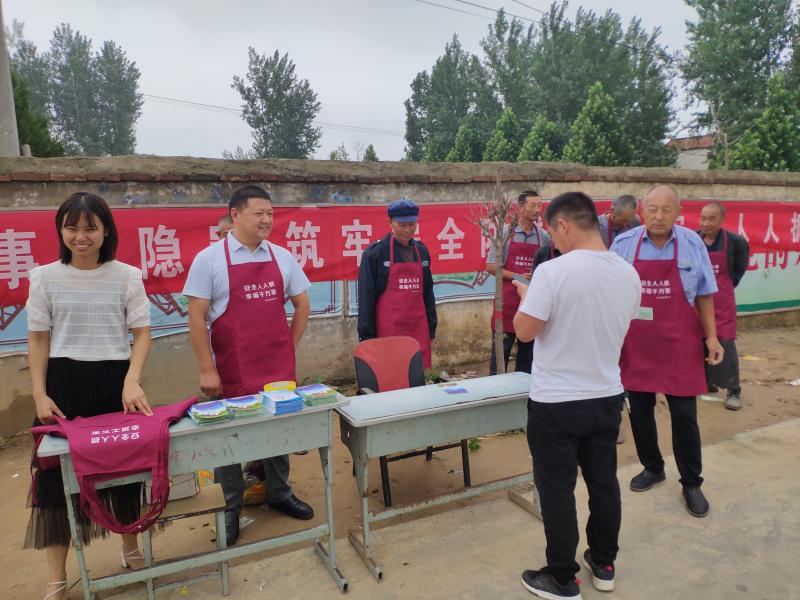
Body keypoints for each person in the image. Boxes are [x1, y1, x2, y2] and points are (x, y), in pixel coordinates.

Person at [25, 192, 153, 600]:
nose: (80, 236)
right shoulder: (44, 277)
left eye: (90, 228)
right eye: (71, 228)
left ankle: (130, 548)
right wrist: (39, 394)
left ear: (106, 231)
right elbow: (38, 339)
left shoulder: (127, 276)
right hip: (63, 387)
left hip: (116, 383)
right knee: (54, 482)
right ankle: (57, 578)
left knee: (125, 470)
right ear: (60, 231)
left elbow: (142, 334)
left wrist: (132, 380)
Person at [513, 192, 641, 600]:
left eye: (553, 233)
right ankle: (603, 563)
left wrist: (525, 299)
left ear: (564, 225)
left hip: (556, 402)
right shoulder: (628, 274)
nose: (554, 241)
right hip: (606, 396)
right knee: (603, 483)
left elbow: (524, 332)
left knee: (557, 490)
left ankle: (562, 578)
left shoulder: (552, 272)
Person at [184, 185, 314, 547]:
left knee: (278, 430)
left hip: (277, 367)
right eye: (259, 213)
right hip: (233, 368)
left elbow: (303, 305)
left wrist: (288, 347)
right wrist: (207, 368)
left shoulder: (282, 257)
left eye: (270, 213)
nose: (267, 220)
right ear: (235, 215)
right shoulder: (209, 259)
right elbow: (196, 317)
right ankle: (230, 506)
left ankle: (279, 492)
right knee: (230, 436)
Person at [610, 185, 724, 519]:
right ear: (642, 210)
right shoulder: (623, 245)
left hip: (680, 343)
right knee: (639, 412)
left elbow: (704, 293)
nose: (658, 216)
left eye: (666, 210)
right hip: (637, 343)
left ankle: (691, 482)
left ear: (678, 212)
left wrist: (712, 338)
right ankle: (653, 466)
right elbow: (609, 294)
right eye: (653, 209)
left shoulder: (692, 244)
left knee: (685, 416)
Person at [357, 199, 437, 368]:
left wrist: (431, 326)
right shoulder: (375, 254)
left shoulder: (421, 251)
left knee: (416, 373)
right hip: (389, 329)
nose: (407, 230)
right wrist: (367, 336)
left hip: (418, 328)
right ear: (390, 222)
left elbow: (428, 293)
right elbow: (366, 298)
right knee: (391, 372)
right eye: (402, 225)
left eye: (412, 224)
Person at [486, 190, 549, 375]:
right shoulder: (505, 233)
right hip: (506, 303)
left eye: (539, 205)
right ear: (520, 207)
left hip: (531, 304)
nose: (537, 210)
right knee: (500, 357)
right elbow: (491, 267)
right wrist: (518, 276)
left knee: (527, 358)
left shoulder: (543, 236)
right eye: (533, 205)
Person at [698, 201, 750, 410]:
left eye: (712, 219)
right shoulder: (693, 239)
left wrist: (722, 288)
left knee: (725, 342)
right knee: (699, 341)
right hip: (697, 301)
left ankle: (733, 390)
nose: (706, 223)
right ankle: (708, 382)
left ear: (722, 219)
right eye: (703, 218)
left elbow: (738, 271)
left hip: (722, 302)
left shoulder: (736, 241)